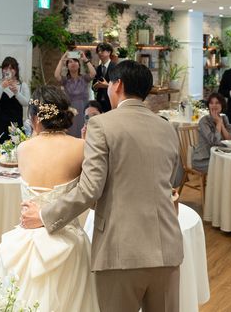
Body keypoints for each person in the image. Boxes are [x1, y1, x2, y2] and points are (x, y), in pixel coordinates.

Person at [21, 60, 183, 312]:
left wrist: (44, 215)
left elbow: (89, 189)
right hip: (167, 249)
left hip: (121, 250)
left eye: (109, 84)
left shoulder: (102, 125)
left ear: (118, 85)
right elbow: (172, 180)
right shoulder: (167, 127)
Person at [0, 86, 99, 312]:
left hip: (27, 239)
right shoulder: (81, 147)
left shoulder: (23, 149)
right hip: (66, 239)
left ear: (35, 118)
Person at [0, 57, 30, 145]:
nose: (8, 71)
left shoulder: (23, 85)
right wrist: (2, 87)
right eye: (6, 68)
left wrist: (16, 93)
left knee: (16, 149)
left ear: (16, 70)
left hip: (15, 124)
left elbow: (27, 103)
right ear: (2, 70)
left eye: (11, 68)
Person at [54, 49, 95, 137]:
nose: (73, 63)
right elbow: (57, 75)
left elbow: (93, 73)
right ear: (67, 66)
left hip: (84, 109)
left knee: (84, 132)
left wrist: (85, 59)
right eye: (70, 62)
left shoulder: (84, 78)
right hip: (70, 110)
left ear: (79, 65)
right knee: (71, 132)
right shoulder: (65, 80)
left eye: (75, 61)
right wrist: (62, 60)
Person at [192, 92, 231, 173]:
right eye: (211, 103)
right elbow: (214, 142)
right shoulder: (204, 121)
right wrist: (218, 123)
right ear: (208, 105)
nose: (214, 105)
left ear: (222, 105)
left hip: (220, 156)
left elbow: (230, 141)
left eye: (217, 103)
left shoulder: (224, 118)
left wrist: (221, 124)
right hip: (203, 159)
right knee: (228, 166)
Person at [92, 43, 117, 113]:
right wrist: (95, 86)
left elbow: (118, 86)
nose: (100, 53)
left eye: (102, 51)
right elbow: (93, 87)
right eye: (98, 51)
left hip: (111, 102)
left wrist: (107, 86)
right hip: (99, 102)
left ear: (109, 52)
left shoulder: (116, 67)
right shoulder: (98, 68)